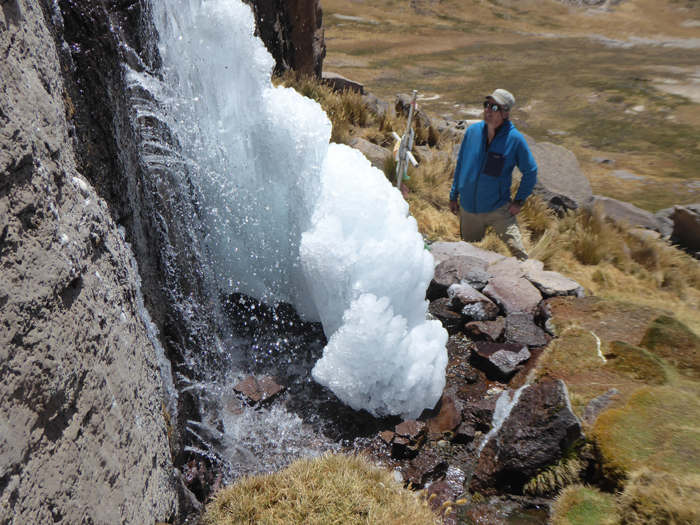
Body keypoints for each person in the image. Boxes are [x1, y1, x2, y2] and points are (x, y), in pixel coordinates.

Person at [449, 89, 538, 261]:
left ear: (505, 114)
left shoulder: (515, 140)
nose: (488, 110)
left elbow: (531, 171)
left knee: (519, 256)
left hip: (497, 209)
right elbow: (461, 164)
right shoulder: (472, 132)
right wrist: (454, 195)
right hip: (468, 210)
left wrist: (519, 201)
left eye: (494, 107)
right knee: (469, 256)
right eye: (486, 105)